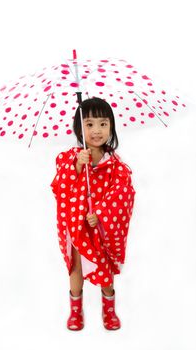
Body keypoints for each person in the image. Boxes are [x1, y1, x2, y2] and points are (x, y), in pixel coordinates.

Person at [51, 97, 136, 331]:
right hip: (78, 227)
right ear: (79, 128)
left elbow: (123, 195)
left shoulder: (116, 166)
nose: (97, 130)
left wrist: (99, 213)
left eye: (102, 123)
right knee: (76, 268)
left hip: (101, 228)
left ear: (111, 126)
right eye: (89, 124)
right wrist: (77, 166)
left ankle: (109, 310)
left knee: (105, 270)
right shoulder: (69, 158)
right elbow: (60, 188)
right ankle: (75, 310)